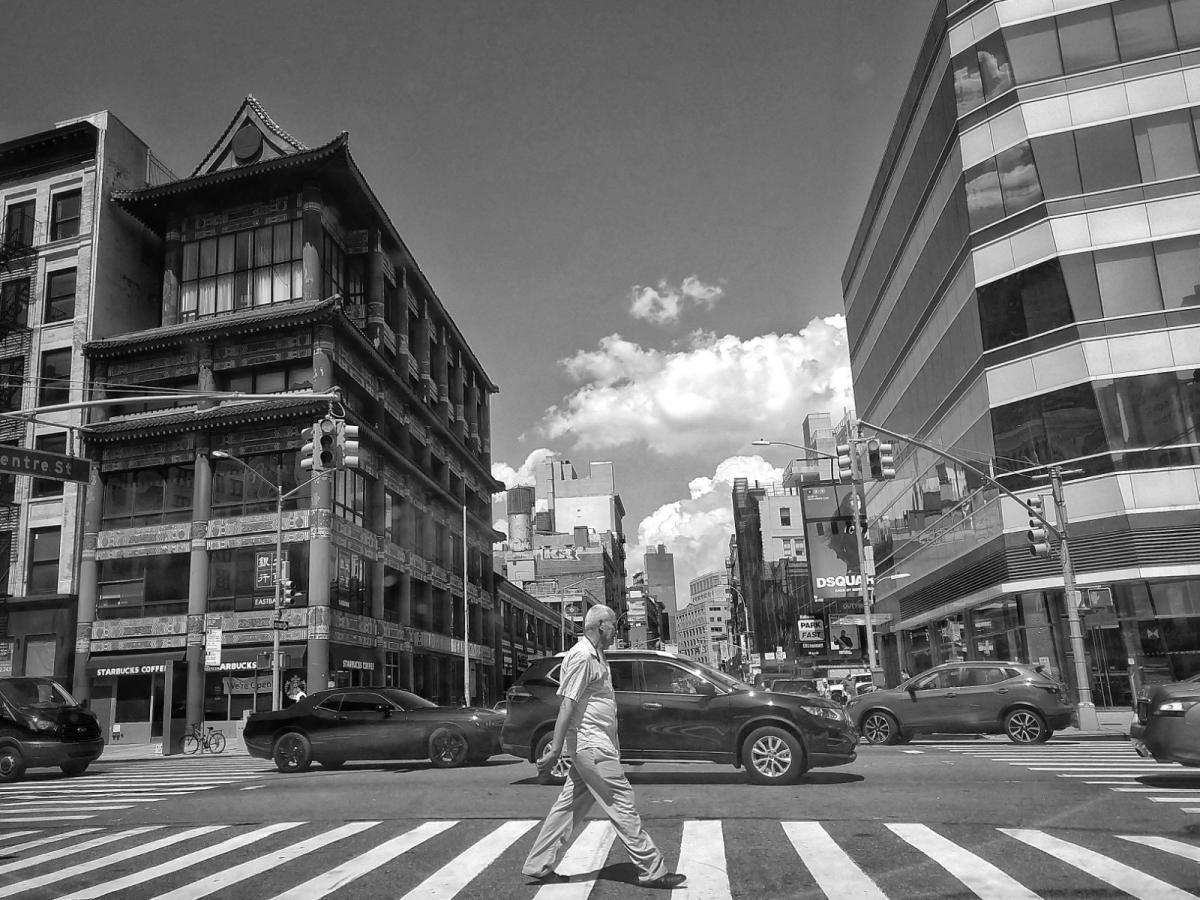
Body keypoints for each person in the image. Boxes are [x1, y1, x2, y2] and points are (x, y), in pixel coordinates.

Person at [521, 605, 686, 890]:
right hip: (591, 746)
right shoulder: (582, 656)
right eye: (612, 625)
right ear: (599, 625)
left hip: (596, 745)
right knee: (621, 802)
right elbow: (567, 704)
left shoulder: (598, 656)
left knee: (569, 807)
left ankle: (538, 864)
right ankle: (652, 870)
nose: (616, 631)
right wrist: (555, 748)